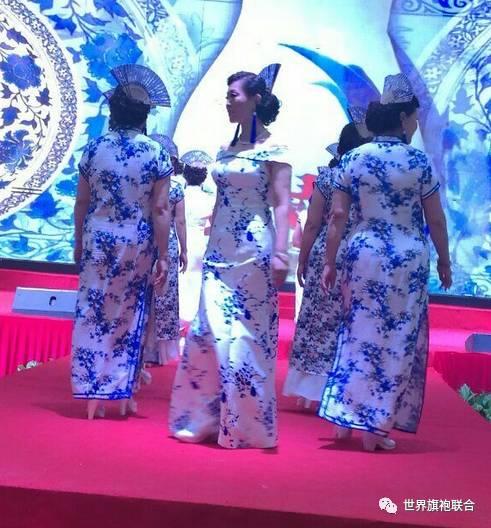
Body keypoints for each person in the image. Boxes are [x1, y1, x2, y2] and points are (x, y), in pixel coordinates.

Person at [319, 73, 452, 451]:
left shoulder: (354, 158)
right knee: (395, 339)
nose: (415, 124)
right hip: (406, 259)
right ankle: (374, 427)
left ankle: (344, 418)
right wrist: (444, 260)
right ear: (404, 118)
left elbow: (337, 216)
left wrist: (329, 261)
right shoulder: (418, 161)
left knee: (356, 333)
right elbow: (435, 219)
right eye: (414, 118)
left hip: (362, 254)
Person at [169, 64, 292, 448]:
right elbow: (221, 199)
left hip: (253, 250)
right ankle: (203, 419)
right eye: (227, 96)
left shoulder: (275, 149)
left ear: (255, 100)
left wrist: (281, 253)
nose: (227, 102)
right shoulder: (226, 147)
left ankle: (244, 426)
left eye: (233, 96)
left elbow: (283, 204)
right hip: (219, 248)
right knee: (207, 332)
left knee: (243, 336)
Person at [71, 65, 173, 419]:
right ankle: (121, 391)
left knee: (93, 311)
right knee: (128, 314)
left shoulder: (94, 149)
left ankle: (91, 392)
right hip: (135, 242)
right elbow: (160, 208)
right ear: (144, 115)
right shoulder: (155, 153)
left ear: (113, 112)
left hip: (98, 238)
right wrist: (163, 254)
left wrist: (78, 241)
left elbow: (81, 202)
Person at [283, 122, 371, 409]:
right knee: (349, 321)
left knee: (316, 319)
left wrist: (303, 258)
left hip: (326, 253)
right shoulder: (370, 179)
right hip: (358, 253)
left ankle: (309, 390)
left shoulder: (329, 178)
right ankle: (343, 390)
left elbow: (312, 224)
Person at [144, 134, 187, 365]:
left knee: (142, 293)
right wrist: (184, 249)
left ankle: (139, 346)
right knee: (163, 296)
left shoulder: (144, 183)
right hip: (166, 243)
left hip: (143, 240)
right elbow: (180, 221)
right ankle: (156, 351)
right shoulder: (176, 187)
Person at [178, 150, 215, 323]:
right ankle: (192, 318)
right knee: (195, 279)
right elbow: (212, 225)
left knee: (179, 278)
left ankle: (178, 317)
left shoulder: (179, 195)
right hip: (199, 241)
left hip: (180, 239)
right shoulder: (209, 199)